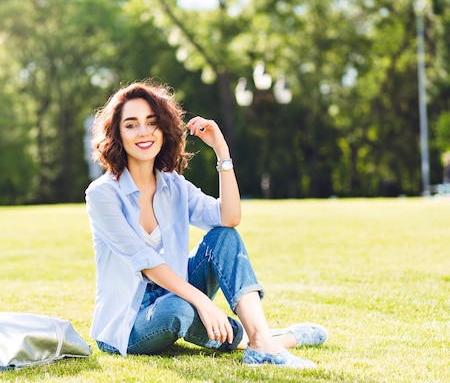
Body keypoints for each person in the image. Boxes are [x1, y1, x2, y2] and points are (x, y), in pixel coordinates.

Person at [85, 80, 327, 367]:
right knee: (179, 309)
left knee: (224, 237)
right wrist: (203, 301)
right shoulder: (102, 194)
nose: (144, 132)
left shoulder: (174, 186)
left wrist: (222, 152)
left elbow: (229, 217)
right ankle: (271, 339)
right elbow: (146, 262)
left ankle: (262, 342)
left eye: (151, 122)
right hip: (128, 324)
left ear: (163, 128)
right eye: (131, 125)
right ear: (117, 134)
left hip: (176, 293)